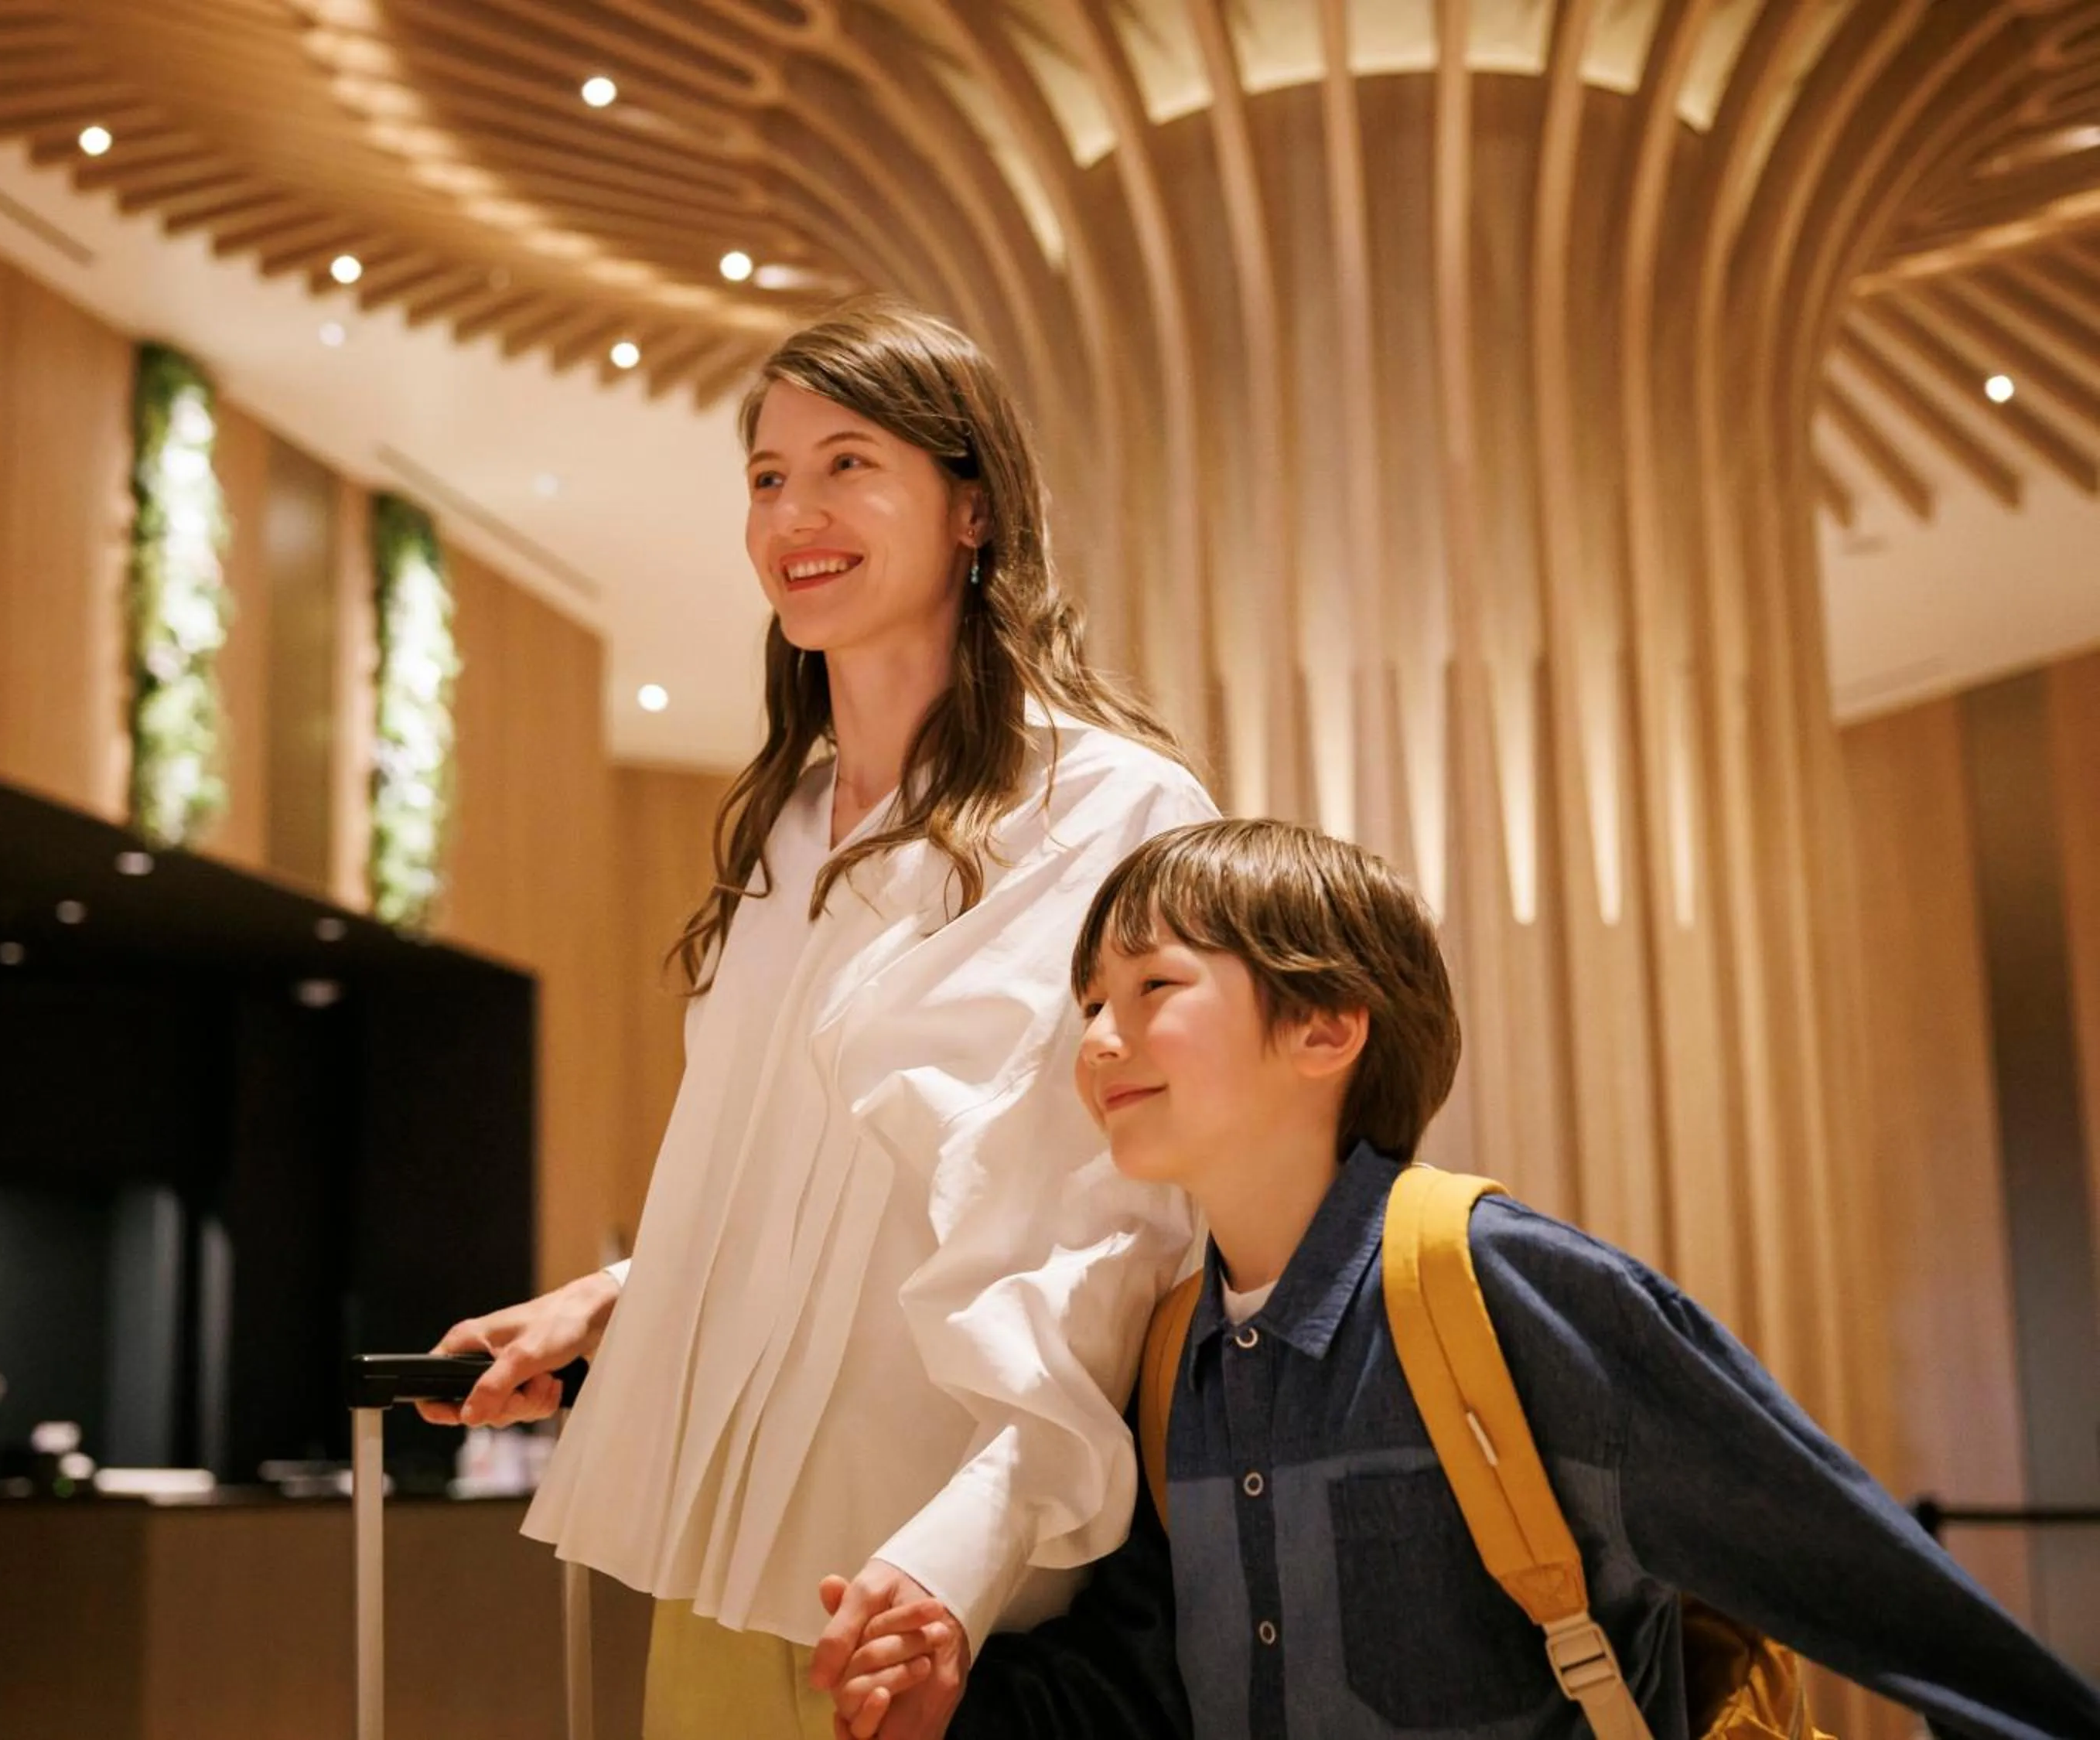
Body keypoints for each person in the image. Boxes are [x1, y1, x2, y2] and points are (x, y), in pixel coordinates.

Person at [840, 817, 2100, 1738]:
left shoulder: (1509, 1292)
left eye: (1152, 986)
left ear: (1327, 1026)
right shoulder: (1173, 1357)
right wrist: (955, 1699)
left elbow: (1872, 1588)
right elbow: (1147, 1690)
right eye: (1090, 1003)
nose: (1099, 1038)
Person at [418, 296, 1217, 1740]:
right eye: (768, 475)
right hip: (722, 1559)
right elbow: (768, 1179)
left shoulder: (1116, 812)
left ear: (972, 507)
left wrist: (957, 1561)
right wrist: (608, 1302)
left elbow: (1113, 1239)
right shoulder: (781, 828)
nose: (797, 511)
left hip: (931, 1597)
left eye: (850, 463)